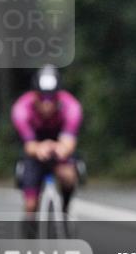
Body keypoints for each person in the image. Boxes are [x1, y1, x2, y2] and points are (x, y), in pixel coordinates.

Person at [11, 65, 83, 229]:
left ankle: (64, 209)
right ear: (34, 95)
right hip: (34, 149)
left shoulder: (71, 106)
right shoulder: (21, 108)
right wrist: (38, 149)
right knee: (30, 206)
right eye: (42, 98)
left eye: (51, 99)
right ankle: (30, 234)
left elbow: (69, 143)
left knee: (68, 176)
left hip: (59, 146)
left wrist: (59, 148)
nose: (47, 104)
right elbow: (29, 145)